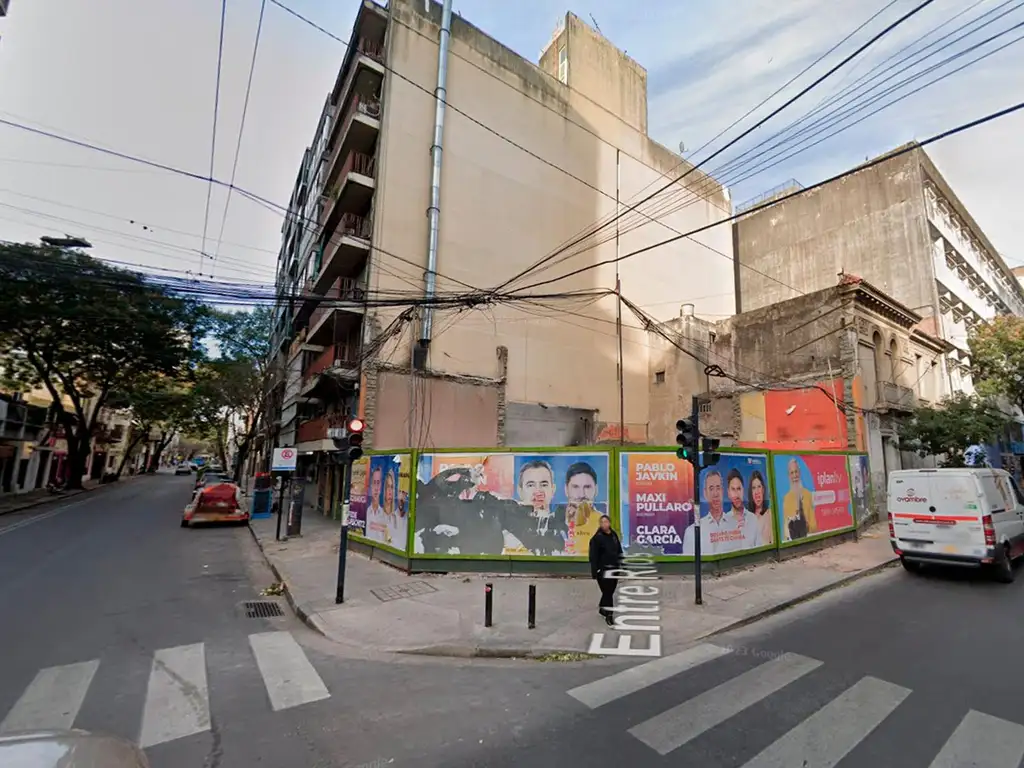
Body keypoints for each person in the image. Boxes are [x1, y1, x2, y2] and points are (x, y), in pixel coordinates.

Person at [588, 515, 622, 626]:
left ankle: (602, 609)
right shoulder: (597, 538)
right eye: (602, 522)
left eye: (606, 521)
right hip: (603, 570)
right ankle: (609, 615)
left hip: (614, 568)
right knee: (607, 593)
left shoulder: (613, 535)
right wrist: (595, 571)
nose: (604, 524)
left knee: (610, 591)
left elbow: (619, 550)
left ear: (609, 523)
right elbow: (593, 556)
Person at [782, 459, 816, 541]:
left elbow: (814, 525)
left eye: (796, 472)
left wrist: (806, 526)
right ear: (789, 476)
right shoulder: (786, 499)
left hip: (808, 537)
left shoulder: (807, 494)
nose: (794, 475)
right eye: (792, 473)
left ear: (800, 473)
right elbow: (786, 527)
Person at [747, 470, 774, 546]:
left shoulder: (769, 514)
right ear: (751, 492)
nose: (757, 492)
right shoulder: (747, 518)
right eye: (754, 488)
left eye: (759, 486)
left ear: (763, 490)